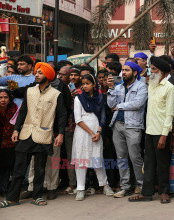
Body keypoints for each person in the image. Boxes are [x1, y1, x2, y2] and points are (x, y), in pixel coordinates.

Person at [0, 63, 66, 208]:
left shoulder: (56, 95)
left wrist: (60, 134)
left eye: (40, 73)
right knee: (19, 168)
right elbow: (22, 112)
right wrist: (16, 130)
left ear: (47, 76)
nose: (36, 75)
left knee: (40, 169)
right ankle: (12, 198)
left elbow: (61, 116)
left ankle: (37, 196)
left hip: (43, 135)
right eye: (36, 72)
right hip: (26, 134)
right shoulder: (29, 91)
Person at [129, 57, 174, 203]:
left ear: (162, 72)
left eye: (154, 69)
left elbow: (170, 113)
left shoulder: (169, 88)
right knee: (148, 163)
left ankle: (164, 192)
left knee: (162, 163)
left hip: (162, 132)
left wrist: (164, 135)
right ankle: (147, 193)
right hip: (149, 130)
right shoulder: (151, 85)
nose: (151, 71)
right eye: (151, 68)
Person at [107, 62, 148, 198]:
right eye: (123, 70)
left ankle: (142, 186)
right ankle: (125, 187)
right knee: (121, 157)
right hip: (117, 125)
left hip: (133, 125)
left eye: (127, 70)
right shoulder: (118, 87)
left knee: (135, 157)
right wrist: (111, 89)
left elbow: (138, 104)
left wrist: (119, 106)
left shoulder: (141, 86)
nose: (123, 72)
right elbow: (110, 104)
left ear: (135, 73)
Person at [71, 73, 114, 201]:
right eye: (83, 84)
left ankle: (105, 186)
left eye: (87, 83)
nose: (84, 86)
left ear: (94, 84)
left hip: (96, 131)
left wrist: (99, 132)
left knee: (97, 159)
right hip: (83, 132)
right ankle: (80, 189)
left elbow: (103, 116)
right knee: (81, 160)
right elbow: (78, 119)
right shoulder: (78, 98)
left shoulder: (99, 97)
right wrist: (91, 132)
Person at [0, 88, 17, 196]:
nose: (3, 100)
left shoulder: (14, 108)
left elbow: (14, 125)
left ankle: (6, 189)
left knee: (9, 166)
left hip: (11, 142)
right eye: (1, 97)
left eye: (5, 97)